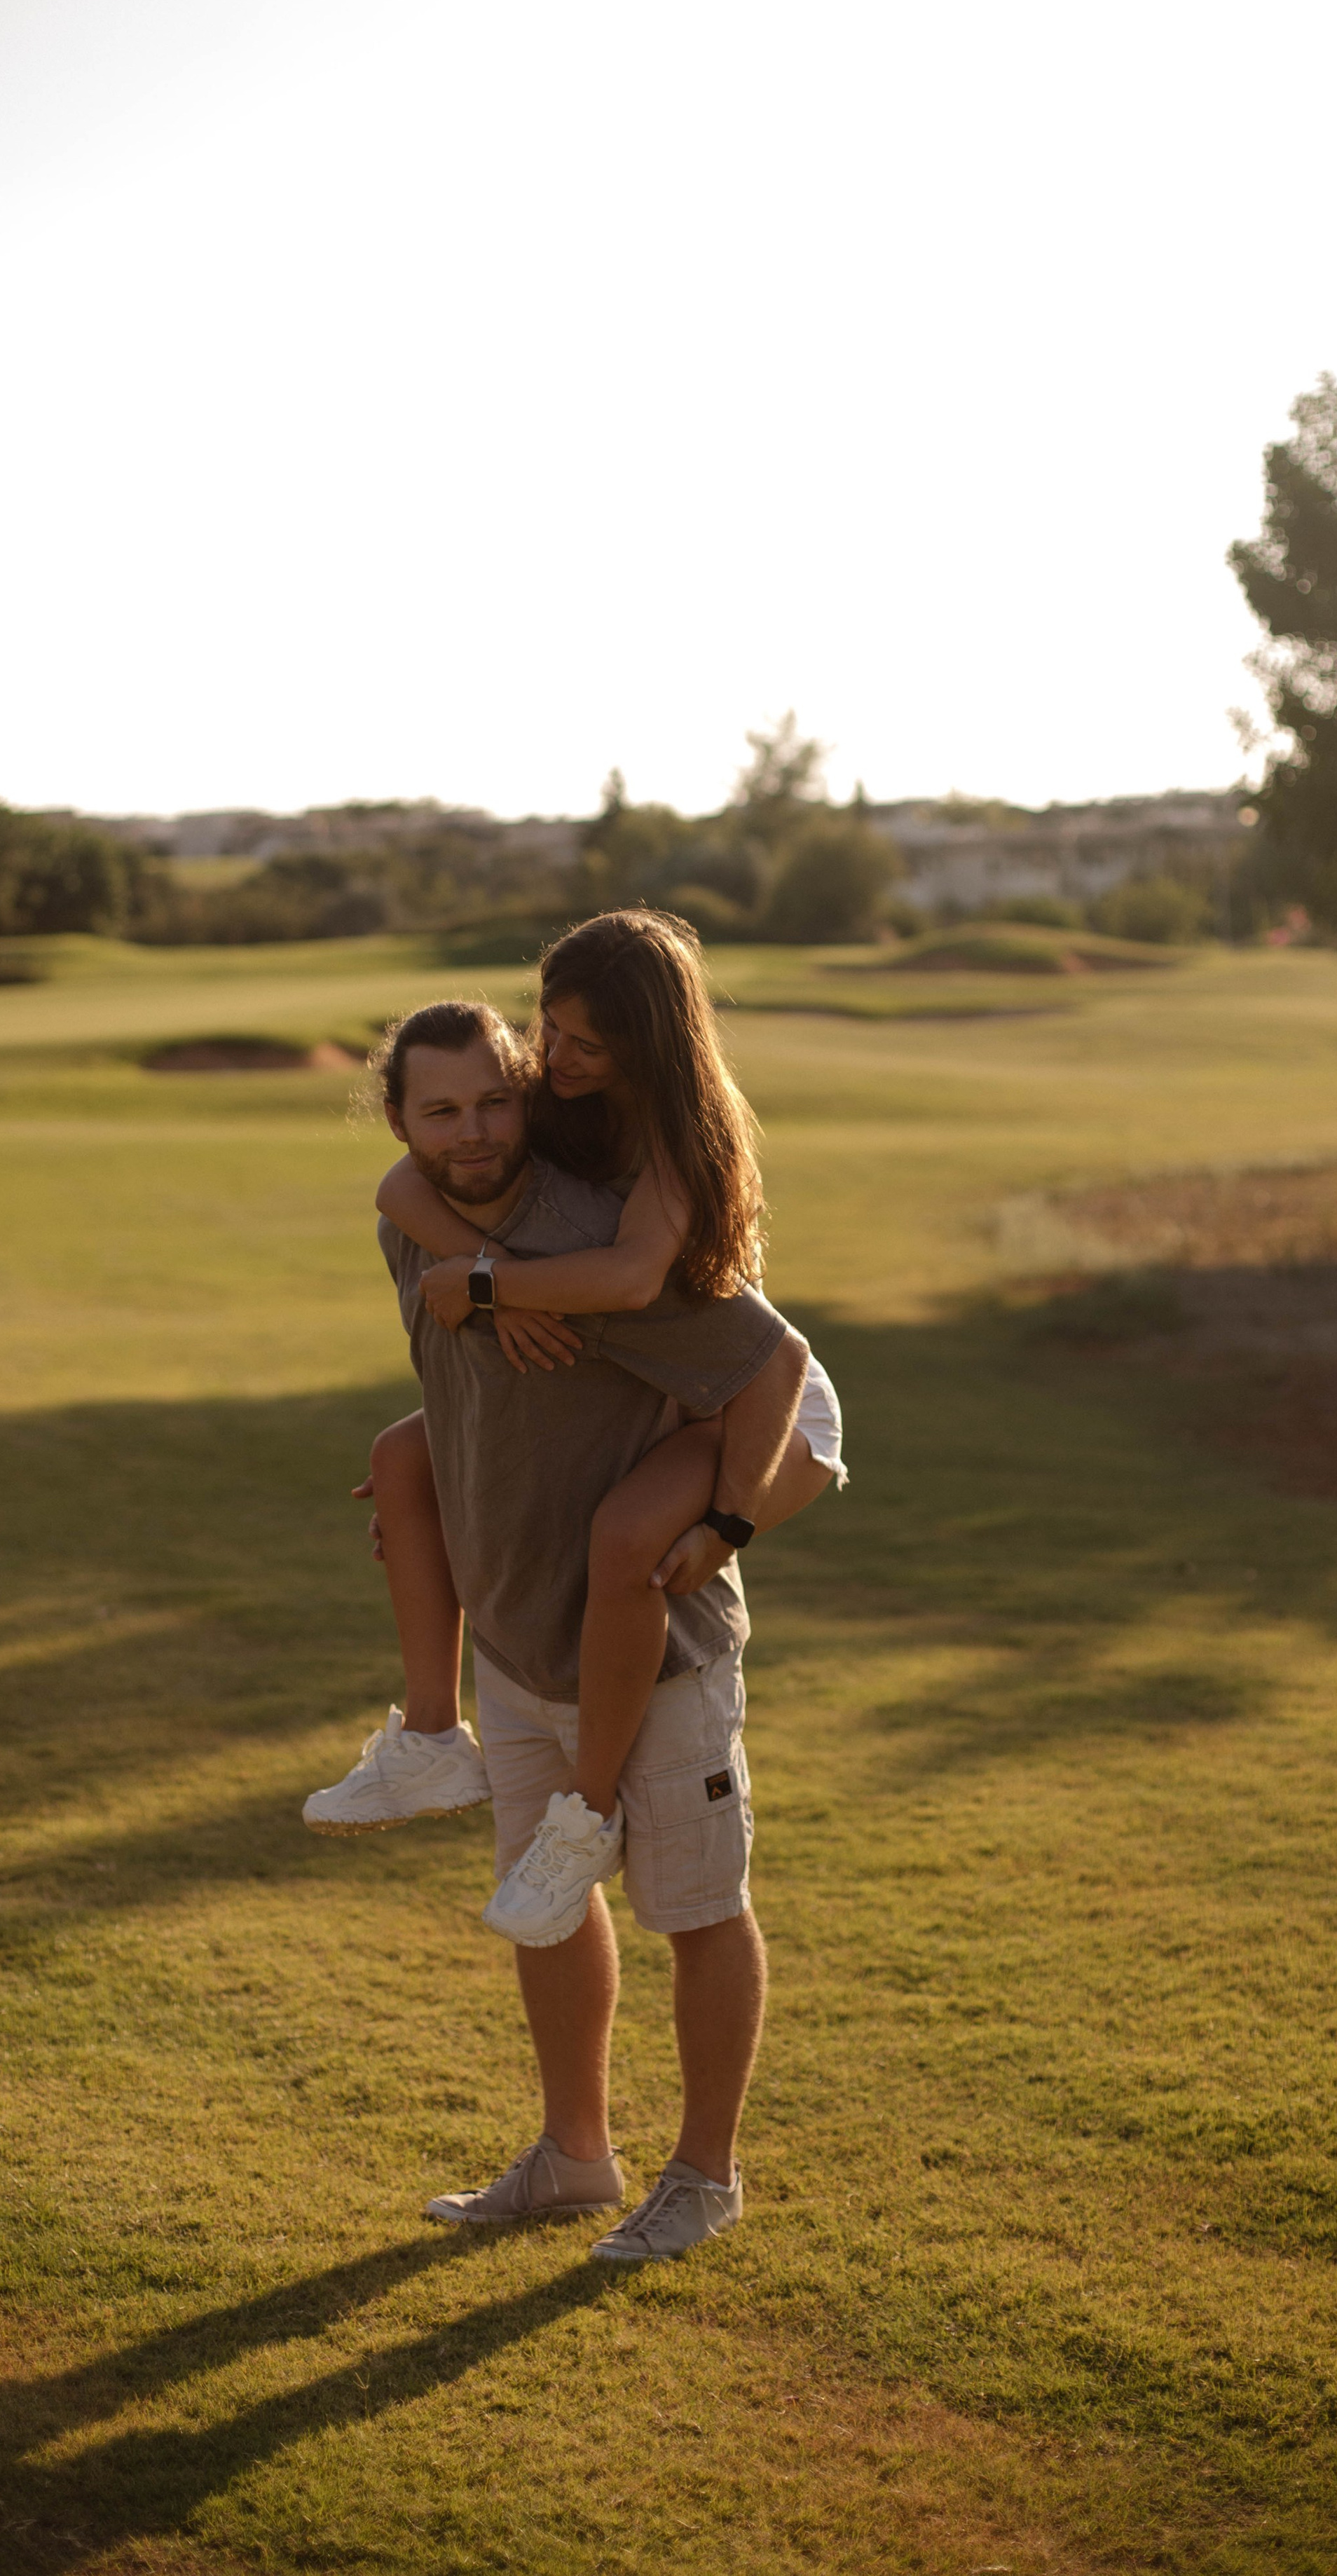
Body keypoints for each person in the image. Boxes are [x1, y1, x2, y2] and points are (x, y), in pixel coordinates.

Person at [304, 952, 832, 2260]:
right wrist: (436, 1488)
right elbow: (469, 1402)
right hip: (521, 1640)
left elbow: (775, 1369)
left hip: (656, 1645)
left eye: (496, 1102)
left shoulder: (606, 1235)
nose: (473, 1130)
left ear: (527, 1104)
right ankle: (574, 2158)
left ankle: (703, 2176)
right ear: (403, 1127)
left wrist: (732, 1517)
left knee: (698, 1909)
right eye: (442, 1113)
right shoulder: (413, 1224)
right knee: (551, 1905)